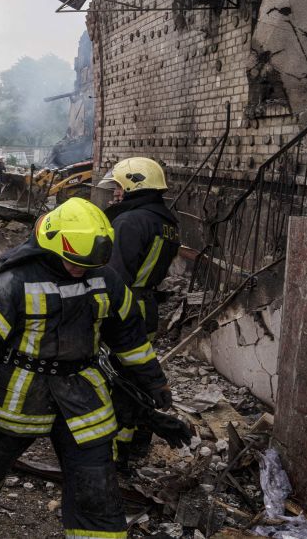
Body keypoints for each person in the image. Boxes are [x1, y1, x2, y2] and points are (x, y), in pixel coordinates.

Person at [0, 198, 171, 537]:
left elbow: (130, 339)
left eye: (87, 264)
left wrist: (153, 381)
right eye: (72, 262)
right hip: (22, 390)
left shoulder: (107, 280)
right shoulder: (11, 285)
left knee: (96, 472)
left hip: (83, 389)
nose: (79, 270)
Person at [99, 157, 182, 467]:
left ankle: (116, 449)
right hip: (146, 307)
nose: (114, 194)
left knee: (115, 378)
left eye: (119, 187)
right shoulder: (167, 222)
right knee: (135, 374)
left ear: (135, 184)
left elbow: (113, 274)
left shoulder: (130, 221)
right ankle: (138, 441)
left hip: (122, 308)